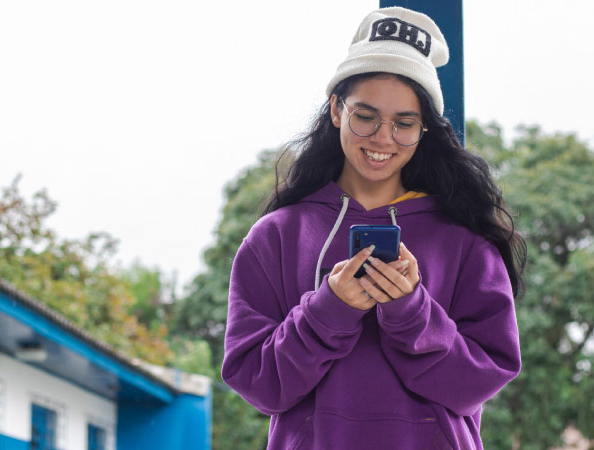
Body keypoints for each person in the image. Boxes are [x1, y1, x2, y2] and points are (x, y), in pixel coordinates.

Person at [221, 6, 526, 450]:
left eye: (404, 124)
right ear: (336, 110)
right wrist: (328, 310)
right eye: (366, 116)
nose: (383, 138)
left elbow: (477, 382)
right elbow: (259, 385)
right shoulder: (276, 236)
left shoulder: (466, 241)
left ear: (423, 131)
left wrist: (411, 312)